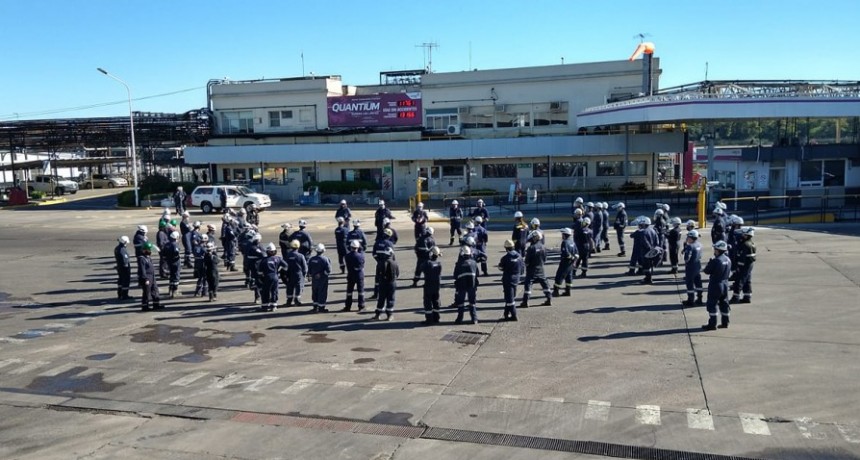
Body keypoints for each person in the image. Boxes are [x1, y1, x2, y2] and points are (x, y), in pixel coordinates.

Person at [702, 240, 732, 330]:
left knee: (712, 304)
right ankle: (725, 322)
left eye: (715, 249)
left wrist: (710, 263)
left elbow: (707, 271)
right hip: (725, 284)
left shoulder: (716, 261)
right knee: (724, 303)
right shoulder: (728, 259)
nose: (714, 251)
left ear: (718, 250)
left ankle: (712, 324)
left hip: (716, 285)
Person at [522, 230, 552, 308]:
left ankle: (525, 302)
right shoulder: (543, 247)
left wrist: (527, 265)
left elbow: (527, 261)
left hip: (532, 270)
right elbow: (545, 259)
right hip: (541, 269)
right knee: (545, 284)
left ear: (535, 238)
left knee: (528, 285)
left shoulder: (531, 248)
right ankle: (549, 299)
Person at [499, 239, 524, 321]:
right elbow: (522, 268)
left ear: (506, 248)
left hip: (508, 279)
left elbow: (501, 267)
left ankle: (514, 315)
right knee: (511, 297)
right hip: (516, 279)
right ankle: (506, 313)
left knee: (510, 299)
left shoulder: (505, 258)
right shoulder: (519, 256)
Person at [453, 246, 480, 324]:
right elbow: (477, 274)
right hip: (472, 285)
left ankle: (459, 319)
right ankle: (474, 319)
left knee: (461, 303)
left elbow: (455, 276)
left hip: (461, 286)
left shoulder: (459, 264)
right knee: (472, 302)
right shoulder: (474, 263)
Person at [257, 242, 287, 311]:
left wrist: (261, 279)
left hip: (267, 277)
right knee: (274, 291)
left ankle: (265, 306)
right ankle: (274, 306)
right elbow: (286, 266)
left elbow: (259, 272)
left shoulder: (263, 260)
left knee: (265, 291)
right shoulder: (278, 259)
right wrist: (281, 272)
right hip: (275, 277)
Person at [730, 227, 756, 304]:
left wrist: (738, 268)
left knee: (739, 281)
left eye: (743, 235)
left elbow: (741, 258)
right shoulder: (751, 243)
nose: (741, 236)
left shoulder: (745, 245)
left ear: (746, 235)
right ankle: (747, 297)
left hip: (744, 265)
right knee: (747, 281)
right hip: (749, 265)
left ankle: (735, 297)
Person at [373, 246, 399, 321]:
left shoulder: (380, 263)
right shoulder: (395, 263)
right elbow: (397, 274)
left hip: (383, 283)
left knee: (381, 298)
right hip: (392, 283)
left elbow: (377, 275)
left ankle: (378, 314)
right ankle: (390, 315)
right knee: (391, 298)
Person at [370, 228, 396, 300]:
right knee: (388, 279)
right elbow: (392, 256)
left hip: (379, 264)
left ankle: (376, 294)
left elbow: (374, 254)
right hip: (388, 265)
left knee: (378, 279)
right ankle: (386, 293)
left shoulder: (377, 242)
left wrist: (378, 261)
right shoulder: (390, 244)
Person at [420, 246, 443, 324]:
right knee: (436, 301)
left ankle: (429, 319)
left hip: (428, 285)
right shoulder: (439, 264)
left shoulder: (427, 263)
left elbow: (421, 268)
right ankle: (436, 318)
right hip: (436, 285)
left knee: (428, 302)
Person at [552, 228, 577, 297]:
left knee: (559, 276)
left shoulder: (565, 242)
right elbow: (576, 253)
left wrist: (570, 257)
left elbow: (565, 252)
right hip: (571, 264)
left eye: (562, 234)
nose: (562, 236)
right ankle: (568, 291)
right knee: (569, 277)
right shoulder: (572, 242)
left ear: (565, 235)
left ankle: (556, 291)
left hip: (565, 262)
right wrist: (574, 259)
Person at [342, 240, 366, 312]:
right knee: (360, 291)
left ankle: (348, 306)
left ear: (351, 247)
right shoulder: (360, 256)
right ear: (357, 247)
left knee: (349, 291)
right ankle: (361, 306)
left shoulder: (347, 256)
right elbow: (362, 263)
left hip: (350, 274)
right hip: (359, 275)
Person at [682, 230, 704, 307]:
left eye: (688, 237)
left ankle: (691, 300)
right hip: (697, 266)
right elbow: (700, 256)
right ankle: (700, 298)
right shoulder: (700, 245)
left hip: (690, 267)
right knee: (698, 283)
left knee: (690, 284)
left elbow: (686, 258)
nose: (687, 238)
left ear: (691, 238)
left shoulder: (690, 246)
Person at [307, 243, 332, 313]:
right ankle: (321, 308)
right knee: (322, 292)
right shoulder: (325, 259)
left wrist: (309, 276)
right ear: (323, 251)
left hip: (314, 279)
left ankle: (315, 306)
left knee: (315, 292)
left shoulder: (312, 259)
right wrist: (322, 274)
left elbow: (309, 269)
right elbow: (329, 270)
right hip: (322, 279)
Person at [137, 242, 161, 311]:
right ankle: (145, 306)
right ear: (144, 250)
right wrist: (145, 279)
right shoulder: (142, 259)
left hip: (152, 277)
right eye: (148, 250)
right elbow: (142, 270)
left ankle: (156, 304)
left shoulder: (148, 258)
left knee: (155, 290)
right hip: (147, 278)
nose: (150, 251)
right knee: (147, 292)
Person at [284, 240, 308, 307]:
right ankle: (297, 301)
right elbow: (305, 268)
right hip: (298, 275)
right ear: (298, 247)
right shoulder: (301, 256)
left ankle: (289, 301)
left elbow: (285, 265)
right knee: (298, 288)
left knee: (290, 287)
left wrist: (285, 275)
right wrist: (304, 275)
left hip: (290, 274)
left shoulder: (288, 255)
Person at [163, 231, 183, 298]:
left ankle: (170, 290)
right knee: (176, 276)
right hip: (175, 262)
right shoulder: (174, 244)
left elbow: (163, 253)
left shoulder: (167, 244)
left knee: (171, 276)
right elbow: (176, 252)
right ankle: (175, 291)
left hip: (169, 262)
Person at [114, 236, 132, 300]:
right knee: (125, 281)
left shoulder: (117, 248)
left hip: (119, 267)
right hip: (124, 268)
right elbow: (125, 260)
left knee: (120, 280)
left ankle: (120, 294)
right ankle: (125, 295)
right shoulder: (122, 250)